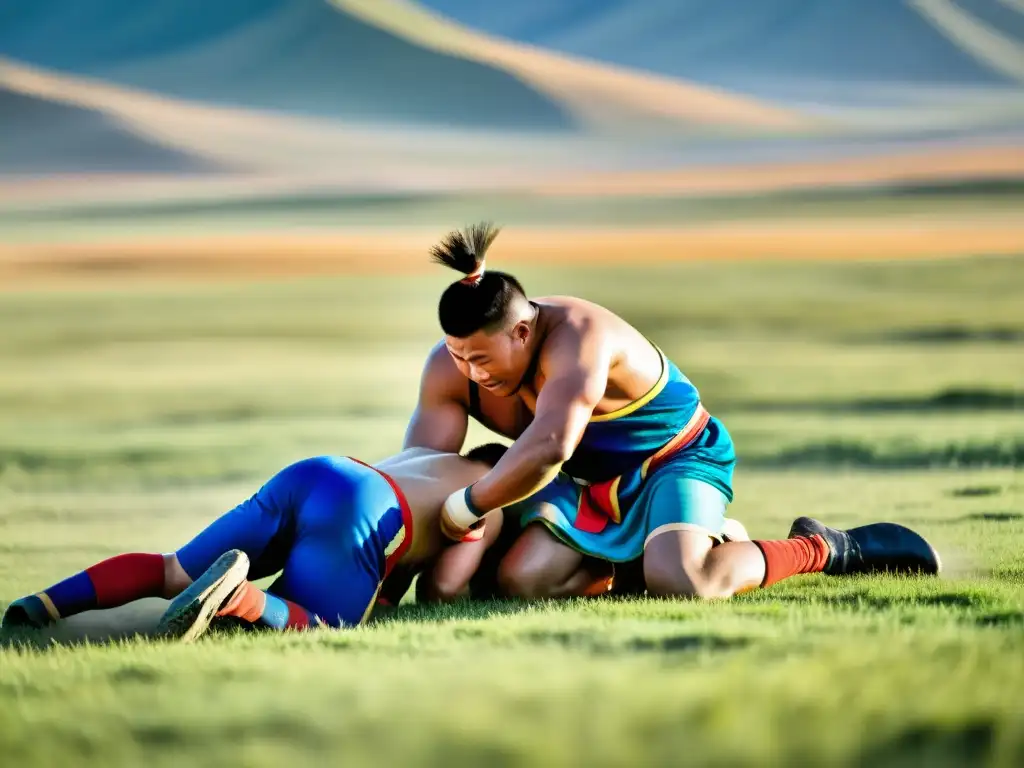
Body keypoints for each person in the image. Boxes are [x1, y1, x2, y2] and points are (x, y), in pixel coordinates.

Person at [403, 223, 941, 602]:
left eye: (480, 358)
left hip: (676, 459)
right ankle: (674, 546)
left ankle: (821, 547)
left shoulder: (579, 339)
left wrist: (460, 512)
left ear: (522, 331)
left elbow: (549, 446)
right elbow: (423, 471)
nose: (470, 372)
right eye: (456, 355)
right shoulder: (452, 368)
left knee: (687, 582)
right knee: (522, 582)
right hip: (587, 483)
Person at [2, 444, 509, 642]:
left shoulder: (430, 454)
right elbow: (444, 585)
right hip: (367, 507)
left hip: (322, 470)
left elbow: (389, 570)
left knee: (171, 569)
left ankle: (42, 604)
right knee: (325, 624)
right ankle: (236, 596)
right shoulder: (494, 494)